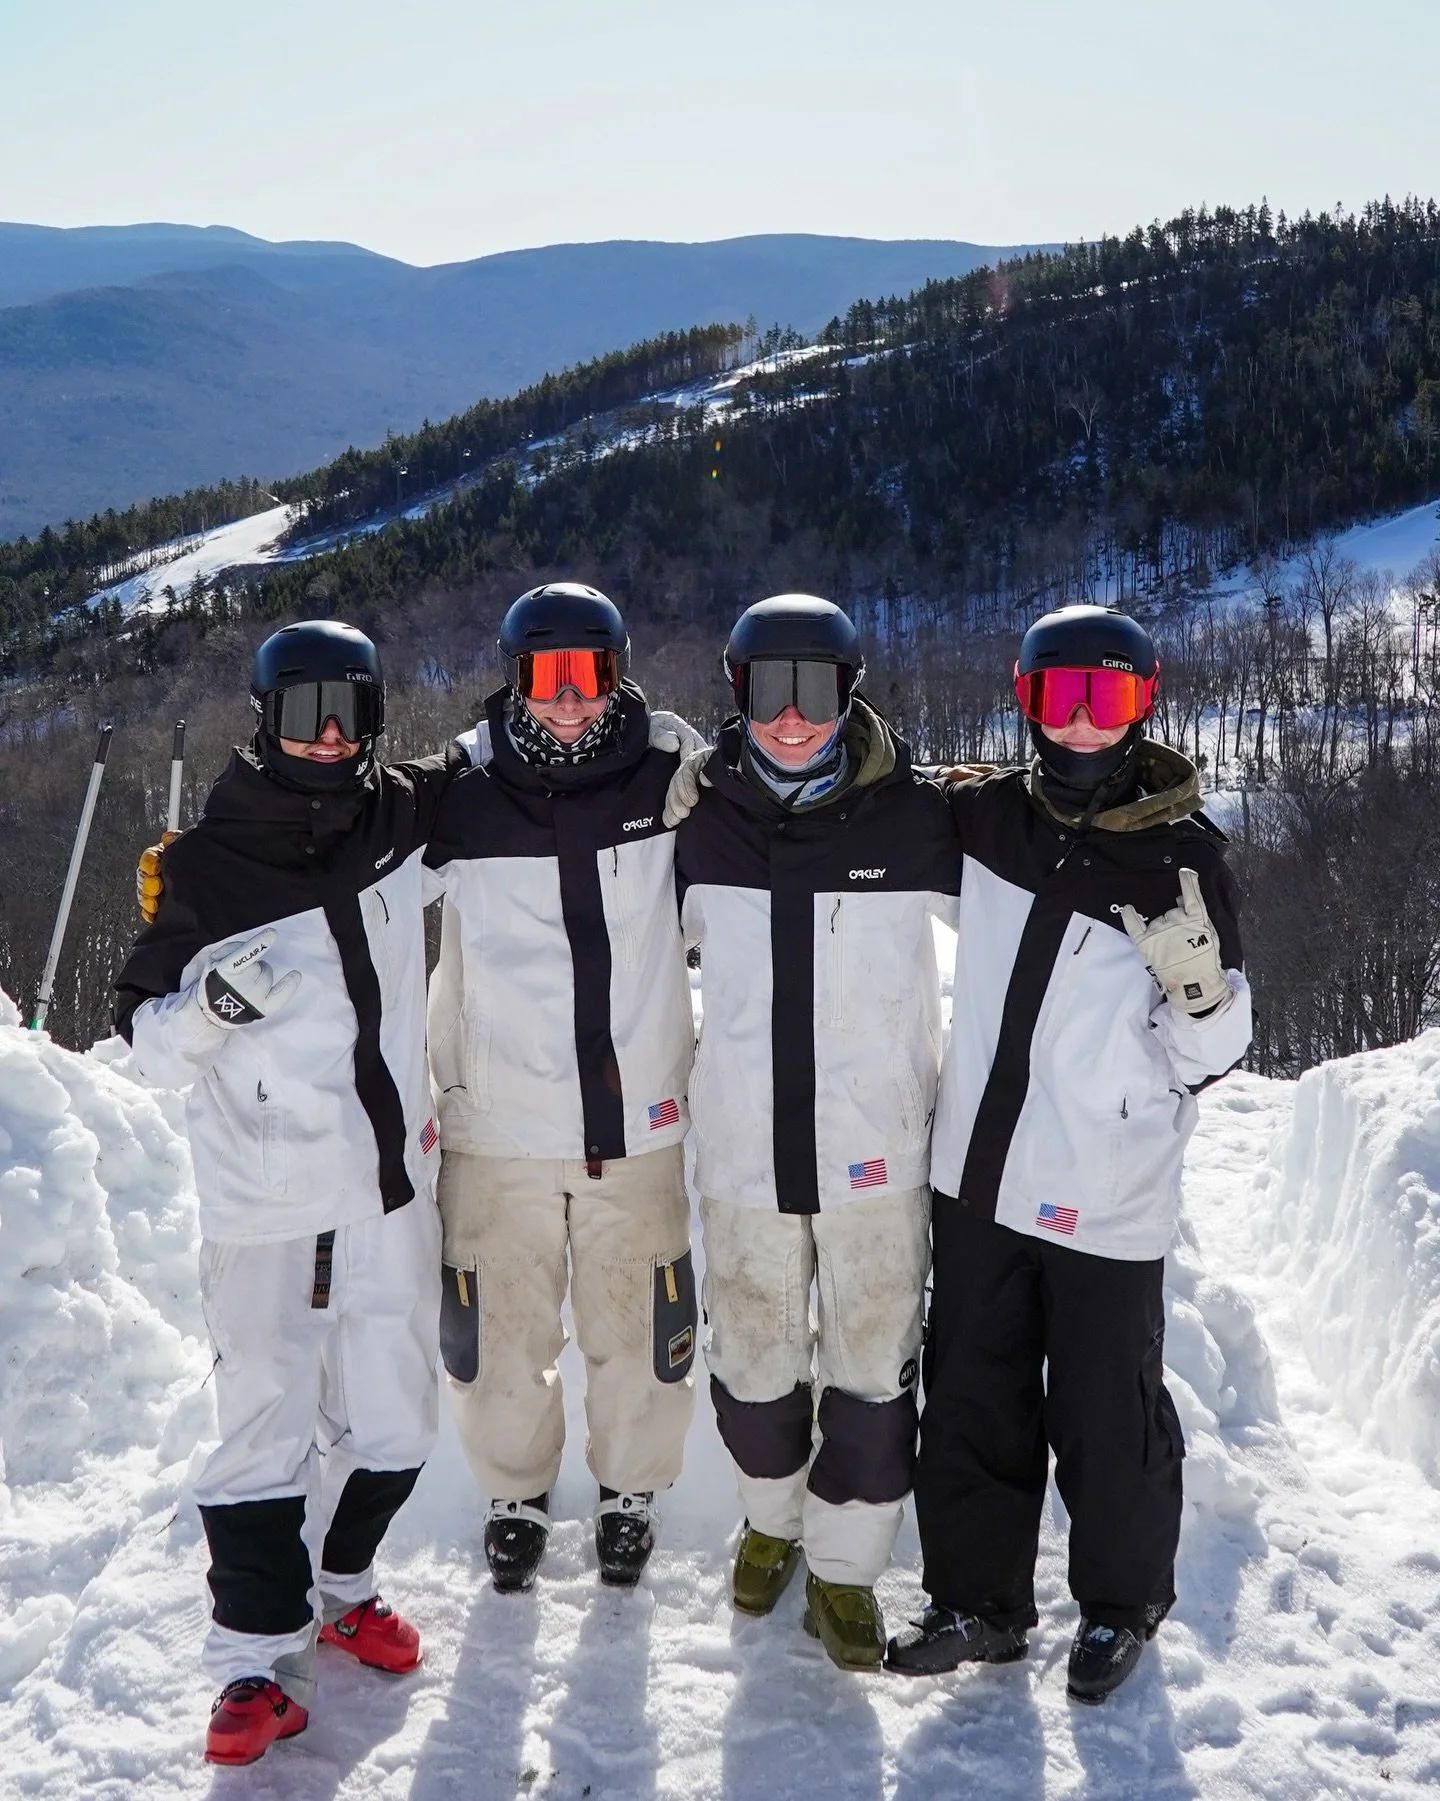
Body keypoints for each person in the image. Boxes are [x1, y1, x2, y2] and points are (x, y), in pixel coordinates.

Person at [114, 621, 467, 1766]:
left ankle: (344, 1585)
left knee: (401, 1419)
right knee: (262, 1421)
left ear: (374, 719)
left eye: (350, 712)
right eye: (305, 709)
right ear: (264, 716)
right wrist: (206, 1007)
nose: (328, 735)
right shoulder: (209, 866)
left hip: (386, 1185)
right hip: (263, 1199)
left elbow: (515, 770)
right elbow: (145, 1046)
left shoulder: (401, 821)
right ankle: (252, 1664)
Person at [886, 604, 1252, 1703]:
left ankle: (1120, 1605)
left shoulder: (1185, 859)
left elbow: (1215, 1052)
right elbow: (885, 822)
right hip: (981, 1173)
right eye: (1061, 699)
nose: (1085, 726)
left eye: (1110, 700)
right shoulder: (991, 818)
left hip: (1107, 1185)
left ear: (1144, 705)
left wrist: (1200, 989)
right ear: (1026, 699)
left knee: (1108, 1411)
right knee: (972, 1396)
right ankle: (979, 1603)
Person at [663, 594, 959, 1670]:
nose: (794, 719)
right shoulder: (696, 822)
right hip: (743, 1146)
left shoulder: (917, 818)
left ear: (853, 690)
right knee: (753, 1360)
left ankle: (844, 1567)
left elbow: (1031, 917)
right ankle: (771, 1521)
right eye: (770, 693)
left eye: (818, 692)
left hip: (875, 1153)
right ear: (736, 696)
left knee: (874, 1366)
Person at [424, 582, 702, 1594]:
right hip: (500, 1120)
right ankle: (514, 1492)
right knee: (499, 1330)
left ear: (618, 673)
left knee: (640, 1325)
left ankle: (631, 1492)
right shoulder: (457, 789)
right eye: (546, 676)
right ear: (515, 677)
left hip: (637, 1118)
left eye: (590, 674)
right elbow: (346, 863)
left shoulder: (672, 777)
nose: (570, 700)